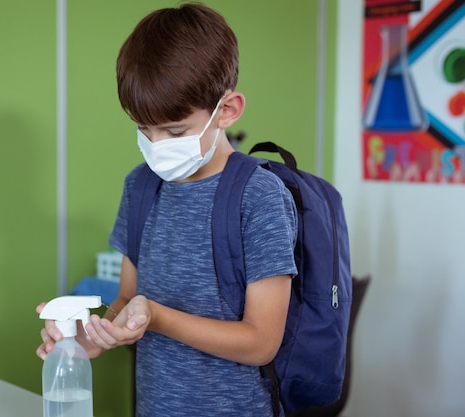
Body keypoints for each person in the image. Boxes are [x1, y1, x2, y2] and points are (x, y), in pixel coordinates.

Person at [37, 3, 297, 416]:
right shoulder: (140, 186)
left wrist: (157, 318)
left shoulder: (257, 195)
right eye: (143, 129)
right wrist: (92, 336)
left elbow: (261, 342)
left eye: (174, 131)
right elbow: (126, 298)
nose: (157, 145)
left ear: (227, 110)